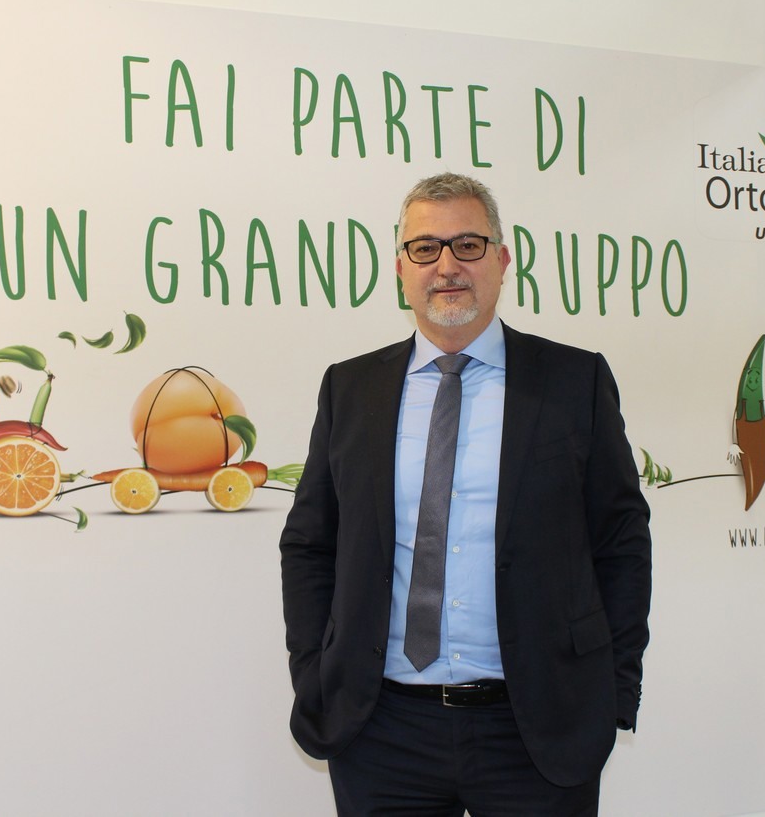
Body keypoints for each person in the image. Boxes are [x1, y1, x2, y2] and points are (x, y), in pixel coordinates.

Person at [279, 173, 652, 816]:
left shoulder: (575, 381)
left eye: (468, 245)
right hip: (381, 731)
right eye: (425, 248)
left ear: (502, 261)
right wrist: (316, 671)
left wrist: (613, 690)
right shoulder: (350, 389)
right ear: (401, 268)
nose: (447, 265)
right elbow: (311, 544)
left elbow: (620, 542)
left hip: (536, 730)